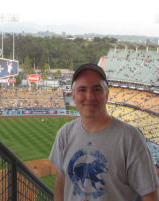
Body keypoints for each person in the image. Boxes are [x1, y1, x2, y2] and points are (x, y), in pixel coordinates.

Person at [49, 63, 159, 201]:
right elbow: (61, 179)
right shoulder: (64, 134)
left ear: (107, 95)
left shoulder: (131, 138)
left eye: (97, 89)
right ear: (74, 96)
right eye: (82, 90)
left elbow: (150, 194)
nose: (90, 96)